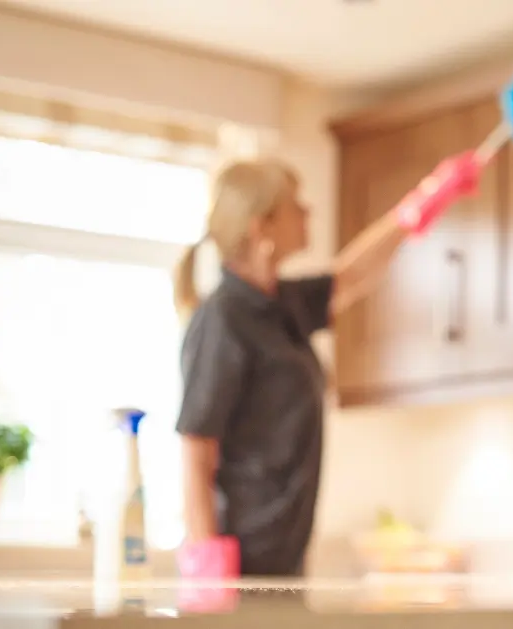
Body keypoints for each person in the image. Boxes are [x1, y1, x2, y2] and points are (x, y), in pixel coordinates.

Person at [170, 159, 411, 577]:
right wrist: (210, 572)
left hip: (284, 561)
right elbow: (196, 449)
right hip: (240, 566)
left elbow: (351, 275)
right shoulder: (224, 318)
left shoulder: (282, 306)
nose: (308, 213)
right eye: (295, 206)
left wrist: (420, 207)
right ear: (260, 227)